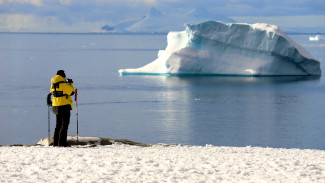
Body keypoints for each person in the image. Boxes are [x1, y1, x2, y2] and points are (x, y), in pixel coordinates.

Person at [50, 70, 75, 147]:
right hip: (64, 105)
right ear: (63, 76)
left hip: (56, 105)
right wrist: (70, 83)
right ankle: (62, 143)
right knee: (65, 125)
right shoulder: (63, 84)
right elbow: (72, 92)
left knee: (58, 125)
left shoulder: (53, 85)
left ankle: (55, 143)